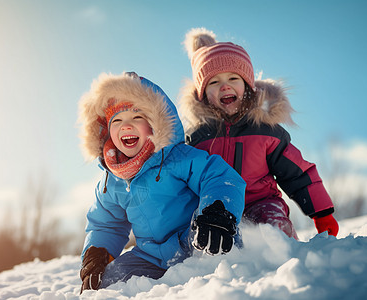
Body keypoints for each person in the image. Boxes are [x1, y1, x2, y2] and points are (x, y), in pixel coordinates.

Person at [77, 71, 246, 293]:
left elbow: (217, 176)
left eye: (137, 117)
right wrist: (97, 253)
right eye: (117, 121)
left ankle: (228, 264)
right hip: (150, 257)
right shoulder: (111, 179)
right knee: (104, 285)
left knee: (217, 258)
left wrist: (217, 213)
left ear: (155, 123)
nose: (126, 126)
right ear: (107, 131)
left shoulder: (177, 157)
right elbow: (107, 223)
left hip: (198, 238)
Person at [178, 28, 339, 240]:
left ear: (248, 86)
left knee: (272, 226)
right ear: (203, 94)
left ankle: (284, 253)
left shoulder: (265, 131)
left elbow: (297, 173)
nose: (224, 86)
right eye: (214, 82)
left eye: (233, 78)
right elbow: (180, 181)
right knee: (198, 235)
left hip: (261, 202)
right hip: (215, 207)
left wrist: (322, 212)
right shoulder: (196, 138)